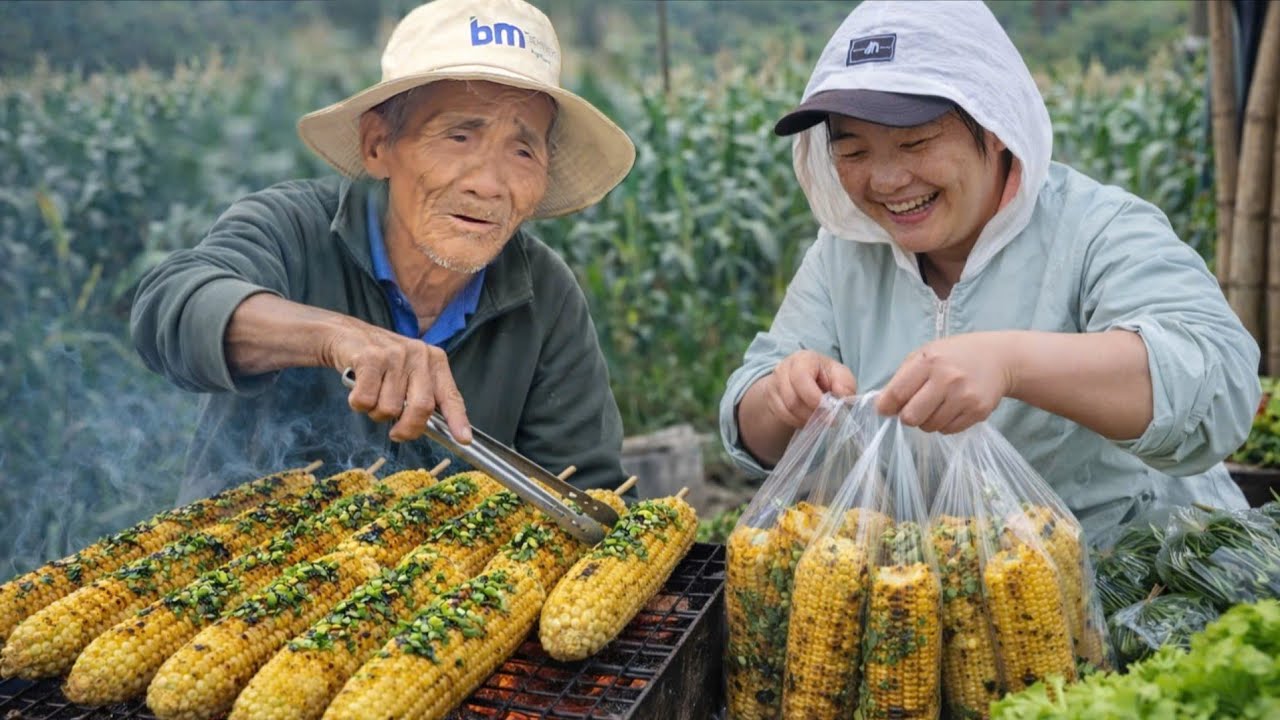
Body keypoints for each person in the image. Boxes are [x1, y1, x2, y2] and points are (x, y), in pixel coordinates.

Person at [719, 0, 1260, 536]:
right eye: (854, 152)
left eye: (916, 142)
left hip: (1136, 578)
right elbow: (752, 427)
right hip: (946, 589)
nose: (885, 180)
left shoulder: (1096, 228)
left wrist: (1010, 363)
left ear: (996, 123)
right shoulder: (846, 256)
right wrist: (783, 396)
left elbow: (1216, 382)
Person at [131, 0, 635, 493]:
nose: (489, 184)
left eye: (523, 150)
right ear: (378, 146)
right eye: (459, 136)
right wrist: (338, 338)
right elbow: (171, 309)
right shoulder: (293, 228)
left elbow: (583, 493)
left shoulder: (544, 296)